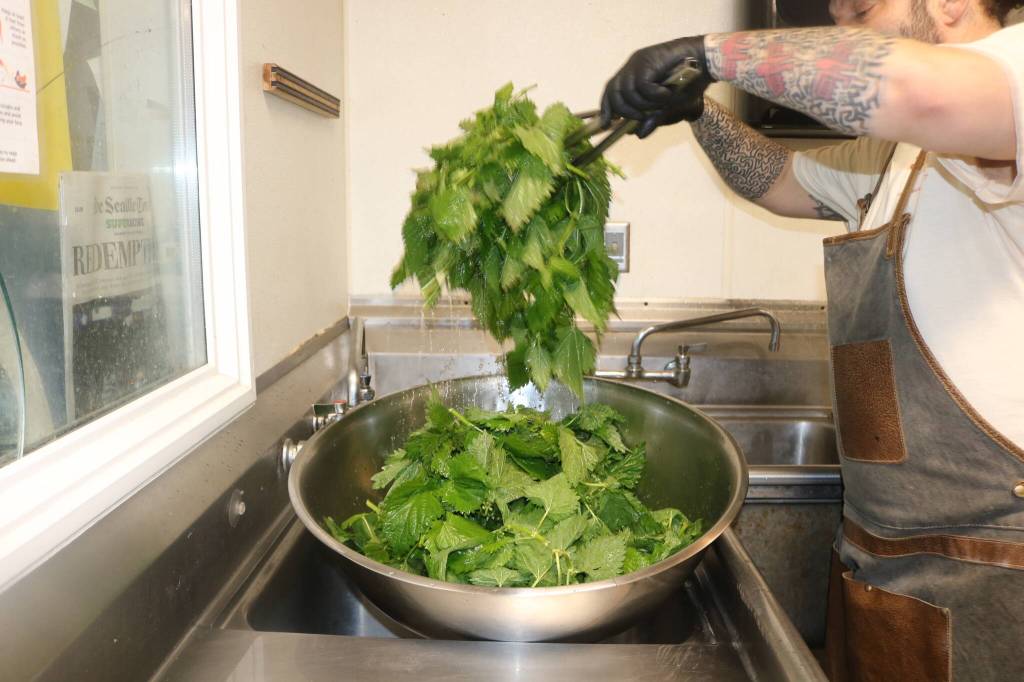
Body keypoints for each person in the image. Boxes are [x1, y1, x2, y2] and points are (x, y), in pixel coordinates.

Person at [600, 1, 1024, 680]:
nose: (845, 33)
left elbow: (905, 85)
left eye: (863, 10)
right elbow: (779, 182)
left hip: (994, 565)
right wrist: (697, 111)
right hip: (887, 552)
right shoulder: (900, 156)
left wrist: (708, 54)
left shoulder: (1012, 73)